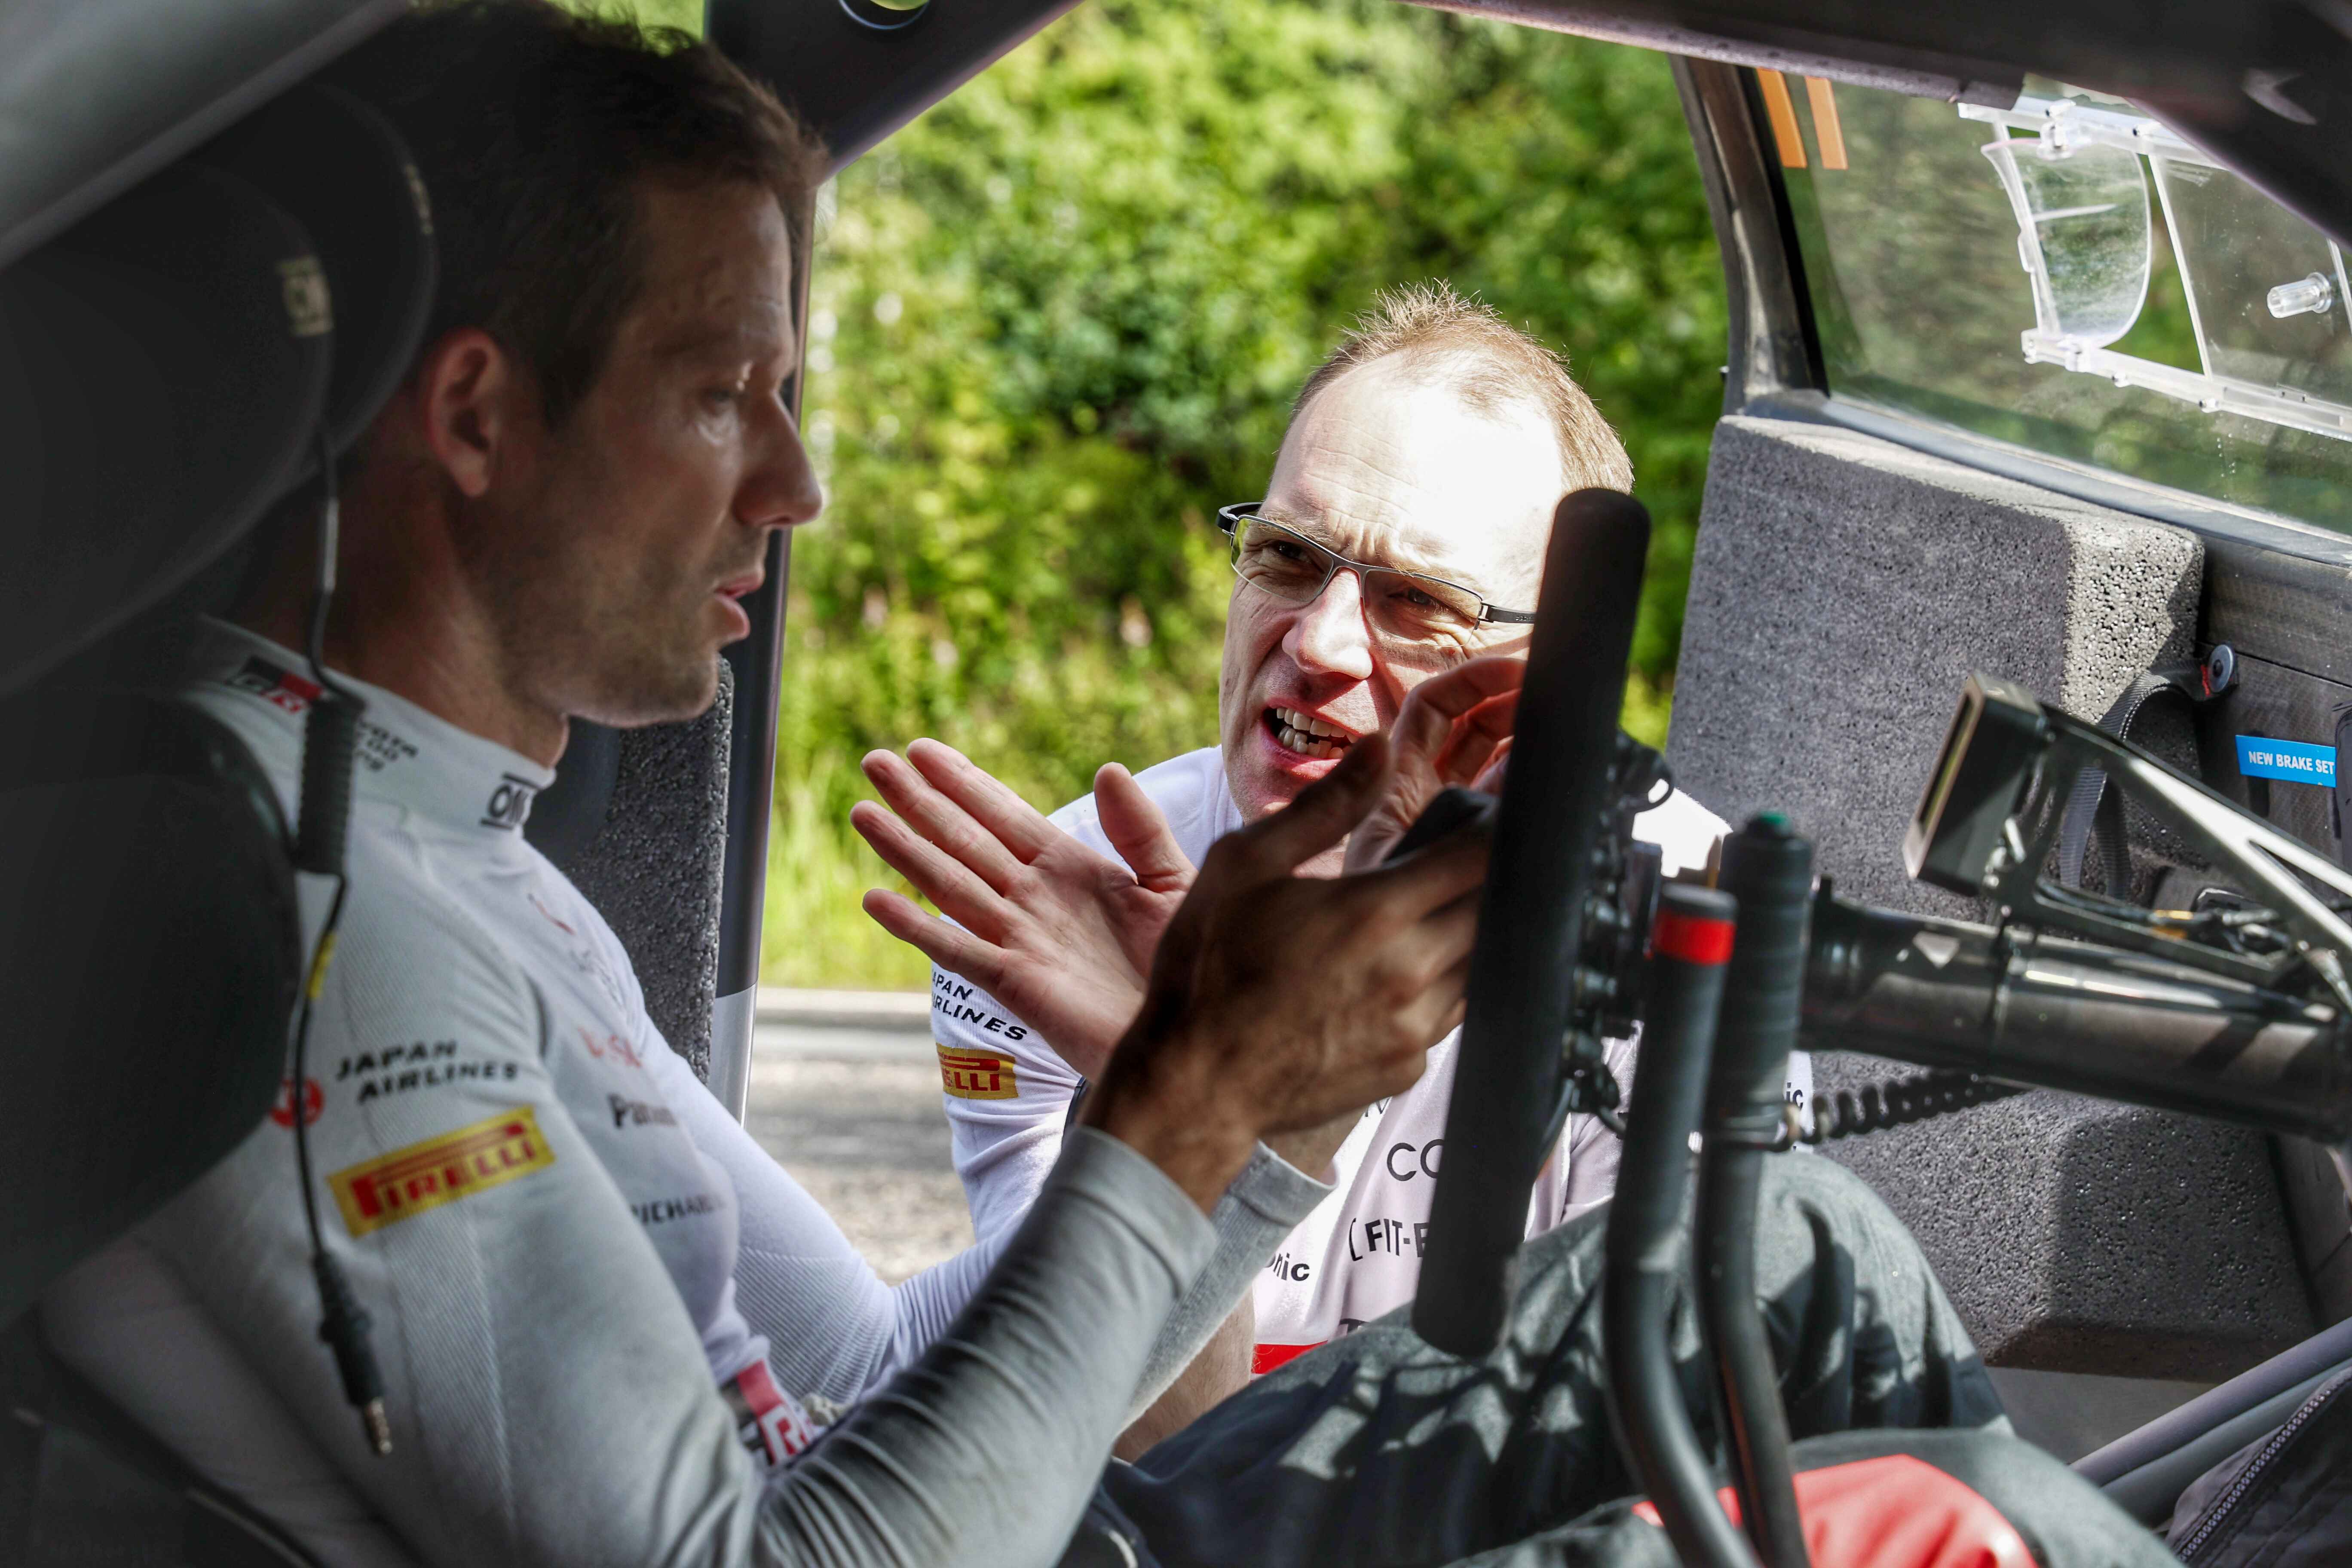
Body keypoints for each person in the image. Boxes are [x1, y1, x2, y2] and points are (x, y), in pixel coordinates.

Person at [34, 7, 2168, 1567]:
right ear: (476, 417)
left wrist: (1218, 1093)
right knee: (1967, 1525)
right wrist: (1188, 1105)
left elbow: (887, 1370)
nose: (797, 484)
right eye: (721, 394)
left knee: (1789, 1255)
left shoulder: (441, 855)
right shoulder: (310, 921)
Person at [851, 286, 1809, 1444]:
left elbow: (1636, 1450)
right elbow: (1104, 1442)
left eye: (1419, 601)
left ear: (1555, 666)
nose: (1318, 641)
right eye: (1287, 558)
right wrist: (1159, 1092)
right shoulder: (1064, 901)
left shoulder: (1691, 914)